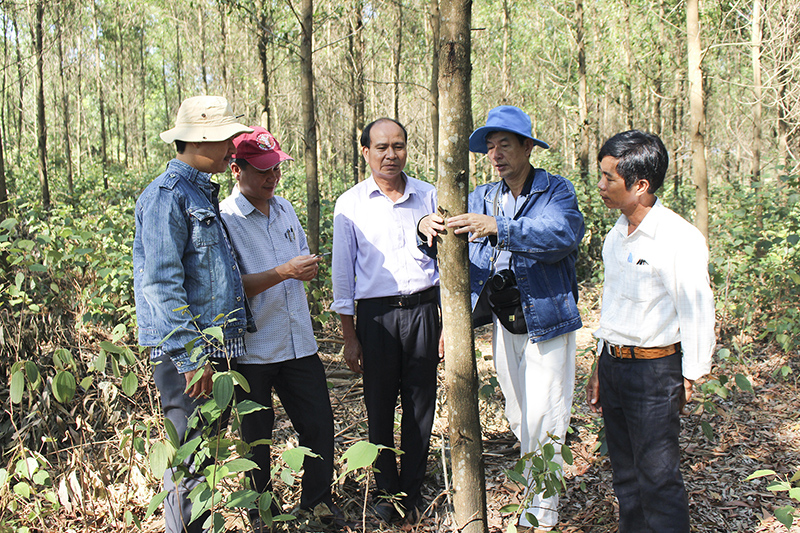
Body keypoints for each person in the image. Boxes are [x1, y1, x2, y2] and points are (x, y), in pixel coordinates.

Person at [419, 105, 585, 532]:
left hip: (546, 319)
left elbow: (562, 235)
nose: (496, 154)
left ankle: (539, 517)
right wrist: (426, 227)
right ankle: (535, 497)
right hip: (503, 320)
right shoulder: (480, 197)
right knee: (517, 414)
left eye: (505, 144)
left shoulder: (555, 191)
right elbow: (453, 249)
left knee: (545, 418)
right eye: (490, 147)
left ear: (528, 146)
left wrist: (499, 227)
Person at [133, 95, 254, 533]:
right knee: (189, 462)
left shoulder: (197, 191)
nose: (230, 148)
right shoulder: (168, 196)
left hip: (209, 350)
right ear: (199, 141)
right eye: (224, 140)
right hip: (188, 355)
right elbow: (161, 284)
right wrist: (193, 357)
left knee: (204, 459)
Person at [586, 130, 715, 532]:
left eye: (610, 178)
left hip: (655, 372)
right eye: (601, 175)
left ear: (640, 185)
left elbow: (696, 307)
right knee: (626, 477)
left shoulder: (678, 238)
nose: (602, 186)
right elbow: (614, 305)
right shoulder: (614, 236)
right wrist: (599, 364)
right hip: (615, 366)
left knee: (658, 479)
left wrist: (691, 373)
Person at [219, 127, 347, 531]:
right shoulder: (225, 219)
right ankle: (261, 511)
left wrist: (301, 270)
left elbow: (297, 261)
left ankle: (317, 503)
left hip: (298, 341)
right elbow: (229, 286)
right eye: (261, 170)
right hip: (254, 348)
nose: (271, 177)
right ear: (235, 170)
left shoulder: (286, 208)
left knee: (318, 425)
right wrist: (284, 272)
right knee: (257, 435)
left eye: (276, 168)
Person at [331, 117, 440, 523]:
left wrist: (446, 327)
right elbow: (343, 277)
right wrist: (349, 336)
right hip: (376, 318)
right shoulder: (351, 204)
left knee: (419, 404)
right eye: (381, 147)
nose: (390, 155)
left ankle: (411, 492)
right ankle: (385, 491)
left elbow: (446, 266)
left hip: (424, 310)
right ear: (366, 153)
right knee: (379, 406)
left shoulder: (428, 196)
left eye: (398, 146)